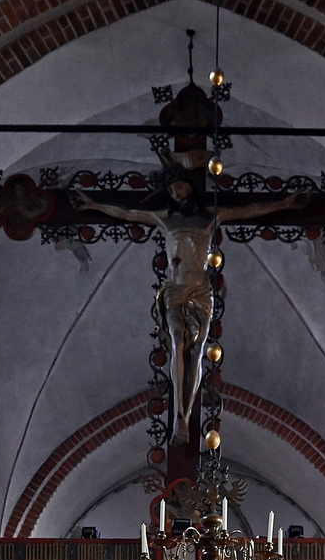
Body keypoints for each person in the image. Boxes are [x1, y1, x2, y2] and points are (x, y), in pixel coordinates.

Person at [74, 178, 304, 443]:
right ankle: (178, 416)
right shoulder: (164, 219)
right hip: (175, 289)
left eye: (180, 186)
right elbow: (128, 213)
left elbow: (248, 210)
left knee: (197, 351)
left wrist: (284, 203)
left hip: (202, 291)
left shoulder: (211, 216)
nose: (175, 192)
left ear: (191, 187)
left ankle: (187, 408)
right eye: (171, 189)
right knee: (176, 342)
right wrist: (93, 204)